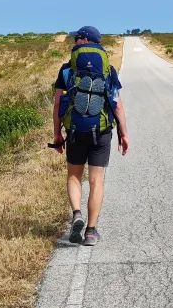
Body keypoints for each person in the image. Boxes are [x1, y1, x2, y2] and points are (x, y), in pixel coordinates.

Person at [52, 26, 129, 246]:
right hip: (101, 132)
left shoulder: (66, 70)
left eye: (76, 38)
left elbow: (58, 104)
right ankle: (91, 232)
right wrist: (124, 134)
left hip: (76, 130)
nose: (74, 40)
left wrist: (58, 134)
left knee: (74, 176)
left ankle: (77, 214)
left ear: (83, 40)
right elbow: (117, 105)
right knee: (96, 181)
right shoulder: (108, 70)